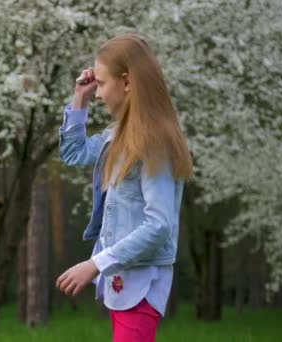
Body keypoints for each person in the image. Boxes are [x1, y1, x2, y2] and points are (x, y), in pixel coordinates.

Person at [55, 34, 193, 342]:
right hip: (124, 278)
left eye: (102, 84)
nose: (99, 94)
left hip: (142, 281)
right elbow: (72, 153)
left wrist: (94, 264)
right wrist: (81, 97)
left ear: (127, 82)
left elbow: (159, 225)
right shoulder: (117, 136)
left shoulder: (153, 143)